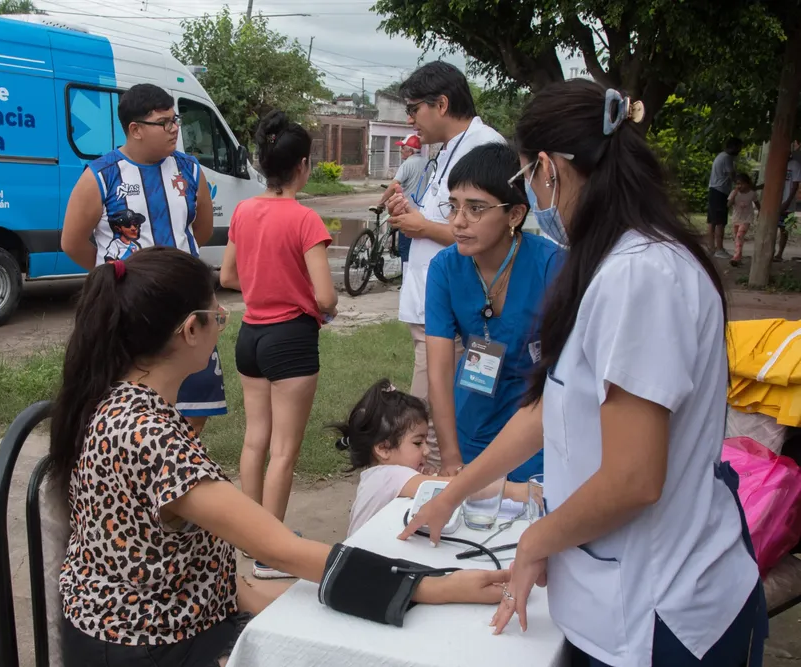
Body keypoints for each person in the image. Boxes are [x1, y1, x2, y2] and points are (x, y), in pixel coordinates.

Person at [402, 81, 766, 667]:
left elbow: (633, 479)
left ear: (548, 169)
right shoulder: (607, 265)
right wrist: (455, 491)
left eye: (524, 178)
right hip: (614, 600)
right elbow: (550, 408)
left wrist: (537, 540)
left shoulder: (641, 276)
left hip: (663, 611)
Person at [50, 246, 513, 667]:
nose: (222, 325)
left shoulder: (117, 401)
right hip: (146, 643)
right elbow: (279, 548)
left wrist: (291, 609)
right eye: (217, 317)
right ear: (191, 330)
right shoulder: (149, 436)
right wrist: (432, 586)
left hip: (150, 622)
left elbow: (181, 561)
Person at [60, 83, 225, 435]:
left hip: (186, 309)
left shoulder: (190, 171)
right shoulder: (101, 176)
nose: (174, 129)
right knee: (129, 411)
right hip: (131, 312)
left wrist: (174, 272)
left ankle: (181, 461)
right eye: (164, 122)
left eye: (175, 120)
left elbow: (202, 231)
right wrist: (121, 275)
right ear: (135, 129)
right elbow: (72, 242)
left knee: (193, 409)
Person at [219, 111, 338, 579]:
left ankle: (253, 539)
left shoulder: (244, 211)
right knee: (284, 450)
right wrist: (314, 301)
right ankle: (272, 554)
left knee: (255, 440)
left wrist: (263, 285)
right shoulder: (306, 219)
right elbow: (325, 297)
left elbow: (228, 276)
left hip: (250, 336)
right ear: (303, 165)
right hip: (291, 340)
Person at [385, 61, 506, 474]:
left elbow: (485, 236)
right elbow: (445, 220)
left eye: (413, 109)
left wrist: (422, 226)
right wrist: (411, 213)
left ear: (441, 104)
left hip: (456, 310)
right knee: (434, 416)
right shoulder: (447, 150)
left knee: (429, 422)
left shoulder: (483, 148)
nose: (410, 119)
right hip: (432, 305)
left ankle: (435, 492)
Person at [425, 143, 560, 483]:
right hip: (473, 425)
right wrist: (451, 458)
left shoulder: (551, 266)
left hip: (539, 429)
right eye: (453, 206)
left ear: (514, 215)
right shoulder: (445, 268)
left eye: (475, 209)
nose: (458, 222)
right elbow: (439, 371)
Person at [334, 379, 525, 537]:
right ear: (383, 449)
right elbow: (457, 487)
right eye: (418, 443)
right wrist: (513, 490)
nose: (427, 451)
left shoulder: (380, 475)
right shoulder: (390, 475)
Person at [375, 133, 428, 265]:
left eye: (403, 148)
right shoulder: (428, 163)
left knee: (405, 249)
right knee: (419, 249)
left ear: (410, 151)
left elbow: (394, 185)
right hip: (425, 215)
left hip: (408, 213)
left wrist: (381, 202)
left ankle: (406, 277)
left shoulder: (407, 164)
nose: (401, 151)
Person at [706, 137, 742, 259]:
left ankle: (711, 247)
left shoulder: (721, 156)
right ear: (733, 147)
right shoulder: (727, 158)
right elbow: (733, 176)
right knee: (720, 222)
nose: (739, 150)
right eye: (739, 147)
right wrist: (743, 184)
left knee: (712, 221)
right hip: (720, 191)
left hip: (714, 190)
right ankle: (719, 249)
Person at [775, 152, 801, 262]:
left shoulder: (794, 165)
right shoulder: (776, 163)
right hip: (775, 202)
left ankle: (779, 254)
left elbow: (795, 186)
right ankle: (770, 251)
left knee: (784, 229)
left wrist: (787, 202)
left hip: (788, 204)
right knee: (772, 227)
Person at [728, 173, 759, 266]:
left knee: (739, 236)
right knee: (737, 239)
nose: (739, 186)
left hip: (747, 219)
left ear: (747, 183)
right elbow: (728, 205)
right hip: (736, 218)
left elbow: (757, 203)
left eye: (741, 184)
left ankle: (735, 257)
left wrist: (761, 212)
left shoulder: (752, 193)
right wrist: (733, 195)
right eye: (737, 184)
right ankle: (739, 258)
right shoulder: (734, 193)